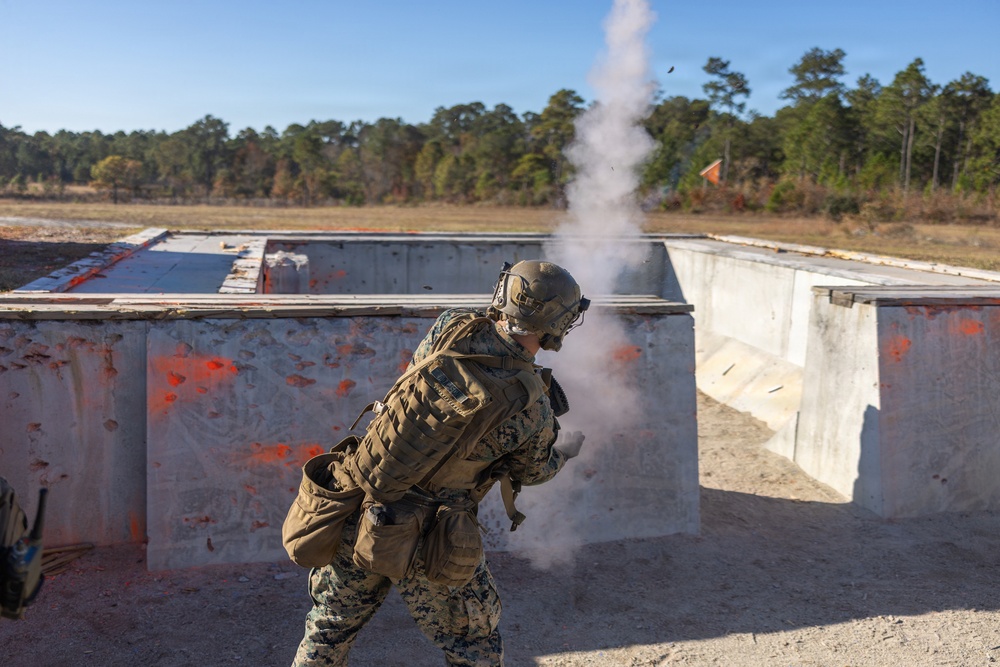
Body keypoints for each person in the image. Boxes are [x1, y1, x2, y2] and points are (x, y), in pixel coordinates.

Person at [292, 259, 589, 667]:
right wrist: (564, 451)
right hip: (432, 539)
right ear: (558, 325)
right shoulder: (532, 408)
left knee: (327, 629)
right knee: (474, 646)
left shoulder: (452, 325)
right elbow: (534, 471)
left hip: (359, 502)